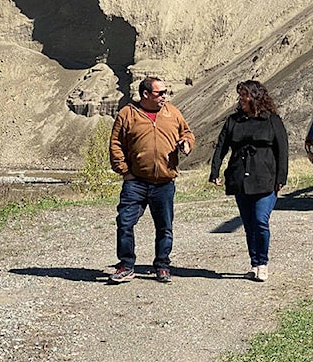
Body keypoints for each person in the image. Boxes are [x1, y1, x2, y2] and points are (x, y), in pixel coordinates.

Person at [109, 76, 194, 285]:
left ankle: (163, 266)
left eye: (165, 92)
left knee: (164, 226)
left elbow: (187, 132)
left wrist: (186, 143)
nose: (165, 96)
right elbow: (115, 144)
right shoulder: (127, 114)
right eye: (160, 93)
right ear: (146, 94)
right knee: (125, 223)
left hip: (164, 182)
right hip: (135, 182)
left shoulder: (172, 112)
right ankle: (126, 266)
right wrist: (125, 172)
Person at [209, 80, 289, 283]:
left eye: (244, 95)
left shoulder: (272, 120)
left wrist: (281, 177)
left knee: (261, 221)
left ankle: (263, 263)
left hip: (265, 178)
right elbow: (221, 146)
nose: (241, 100)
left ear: (255, 97)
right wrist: (215, 170)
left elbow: (283, 150)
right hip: (240, 178)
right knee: (249, 225)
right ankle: (254, 264)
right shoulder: (233, 121)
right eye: (240, 96)